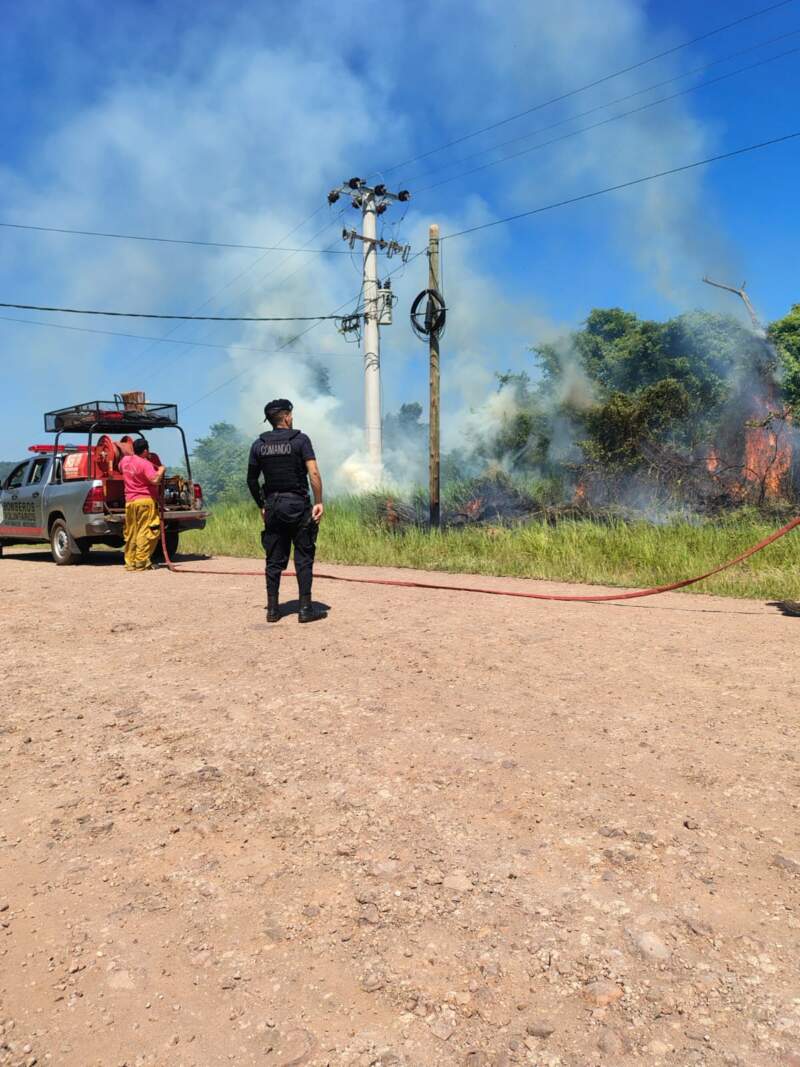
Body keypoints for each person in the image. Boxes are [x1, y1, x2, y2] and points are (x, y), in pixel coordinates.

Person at [247, 399, 324, 623]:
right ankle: (305, 609)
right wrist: (319, 501)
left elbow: (251, 479)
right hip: (298, 505)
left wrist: (261, 504)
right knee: (303, 556)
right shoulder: (300, 440)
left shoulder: (258, 444)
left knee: (273, 559)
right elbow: (314, 473)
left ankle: (272, 610)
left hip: (273, 506)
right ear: (287, 417)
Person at [118, 438, 165, 571]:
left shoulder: (125, 461)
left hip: (130, 502)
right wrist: (161, 470)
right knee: (146, 531)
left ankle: (131, 563)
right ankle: (141, 562)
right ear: (145, 451)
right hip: (145, 501)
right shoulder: (145, 464)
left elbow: (120, 468)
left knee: (132, 532)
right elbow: (155, 480)